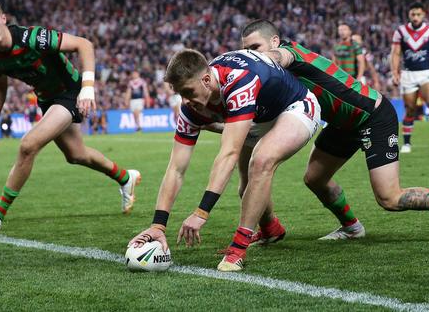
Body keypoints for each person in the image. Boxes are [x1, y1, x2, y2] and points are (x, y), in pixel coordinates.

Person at [236, 20, 429, 258]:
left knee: (389, 198)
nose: (251, 54)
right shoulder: (273, 73)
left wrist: (249, 62)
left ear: (275, 41)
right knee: (315, 179)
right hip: (342, 124)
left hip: (373, 116)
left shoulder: (288, 55)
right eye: (245, 49)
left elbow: (281, 57)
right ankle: (352, 227)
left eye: (255, 48)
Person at [128, 48, 321, 272]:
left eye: (188, 91)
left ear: (207, 80)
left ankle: (238, 249)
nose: (186, 101)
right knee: (245, 188)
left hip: (296, 106)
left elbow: (228, 153)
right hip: (256, 115)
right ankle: (271, 229)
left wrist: (201, 213)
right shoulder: (191, 107)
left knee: (261, 162)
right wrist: (158, 224)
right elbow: (176, 169)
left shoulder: (239, 80)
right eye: (180, 94)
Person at [0, 0, 141, 232]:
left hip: (70, 92)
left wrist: (88, 87)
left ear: (3, 19)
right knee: (76, 155)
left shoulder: (33, 38)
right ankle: (125, 178)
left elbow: (84, 44)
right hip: (47, 99)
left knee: (28, 145)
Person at [390, 2, 429, 153]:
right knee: (410, 109)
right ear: (409, 15)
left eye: (418, 14)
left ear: (423, 15)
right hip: (408, 74)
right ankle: (407, 143)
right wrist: (395, 72)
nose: (416, 17)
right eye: (413, 14)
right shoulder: (401, 32)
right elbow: (396, 53)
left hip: (426, 73)